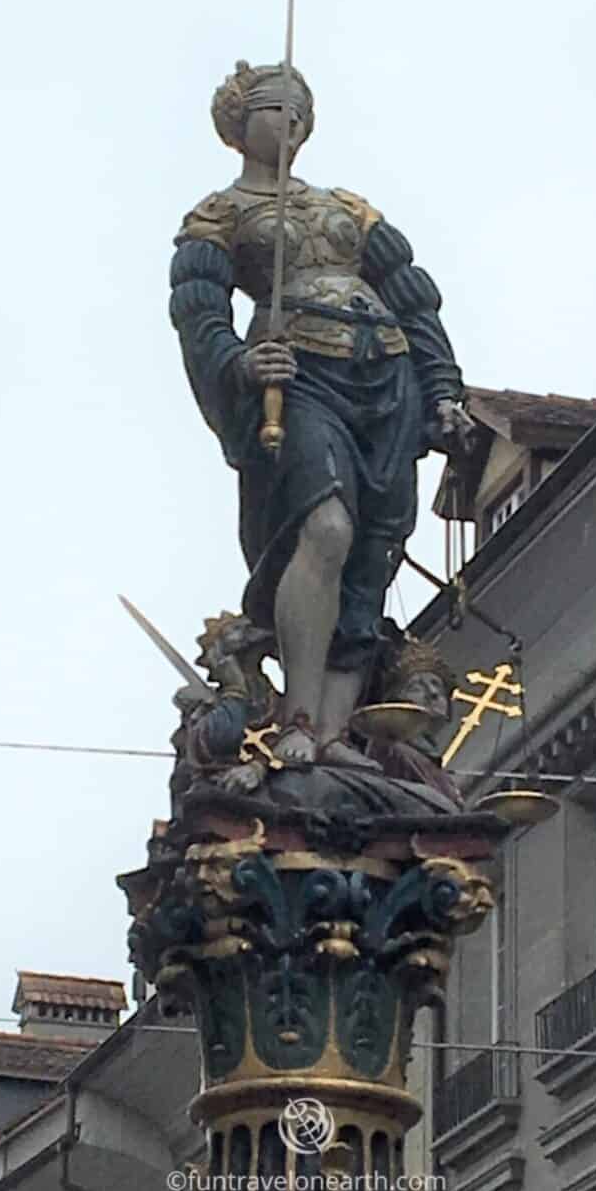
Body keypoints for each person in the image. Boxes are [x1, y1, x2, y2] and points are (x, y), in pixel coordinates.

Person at [169, 60, 470, 766]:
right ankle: (297, 719)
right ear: (240, 122)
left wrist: (444, 384)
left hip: (384, 375)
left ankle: (335, 732)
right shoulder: (219, 215)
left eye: (303, 109)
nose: (294, 120)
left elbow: (410, 293)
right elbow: (198, 312)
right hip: (299, 374)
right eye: (277, 107)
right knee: (327, 526)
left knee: (371, 550)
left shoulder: (349, 206)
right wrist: (238, 365)